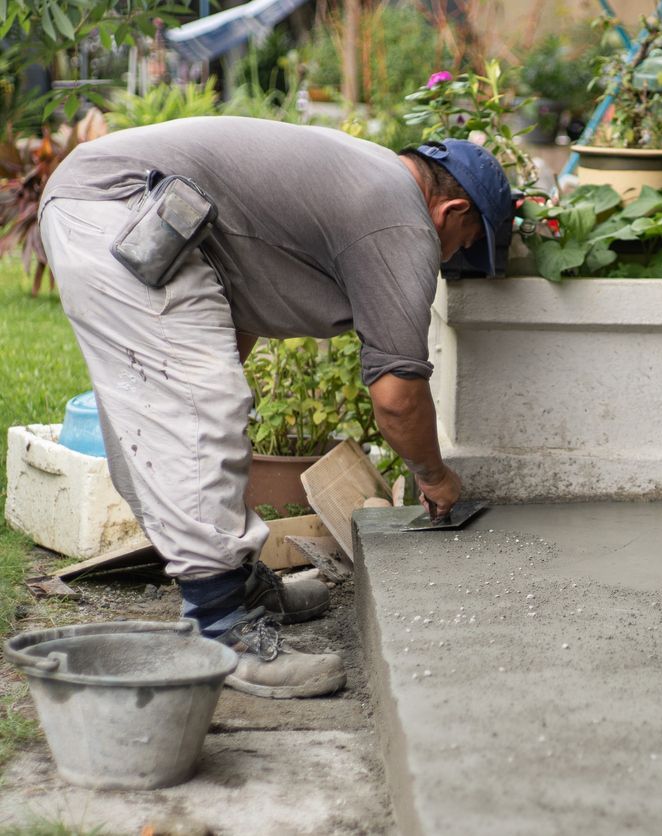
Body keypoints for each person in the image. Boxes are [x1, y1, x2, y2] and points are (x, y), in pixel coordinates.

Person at [38, 116, 514, 698]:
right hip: (122, 206)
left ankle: (236, 587)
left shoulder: (367, 179)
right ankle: (222, 630)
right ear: (454, 211)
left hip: (128, 205)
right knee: (195, 414)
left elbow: (242, 277)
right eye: (462, 247)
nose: (447, 263)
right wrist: (434, 477)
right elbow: (396, 395)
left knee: (192, 411)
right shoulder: (401, 221)